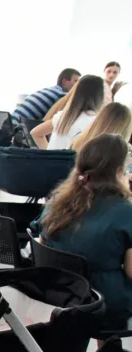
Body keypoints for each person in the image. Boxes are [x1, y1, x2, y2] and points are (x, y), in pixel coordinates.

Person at [33, 134, 132, 328]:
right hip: (103, 304)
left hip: (59, 295)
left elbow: (42, 246)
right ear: (119, 171)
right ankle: (107, 351)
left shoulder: (56, 203)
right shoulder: (125, 213)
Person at [31, 75, 105, 150]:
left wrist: (50, 154)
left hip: (52, 161)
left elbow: (35, 133)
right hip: (73, 161)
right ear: (100, 96)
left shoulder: (63, 116)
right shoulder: (96, 121)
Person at [11, 68, 81, 125]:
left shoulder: (50, 90)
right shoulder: (61, 95)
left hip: (11, 122)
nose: (78, 85)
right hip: (19, 127)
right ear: (64, 81)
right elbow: (61, 120)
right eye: (76, 81)